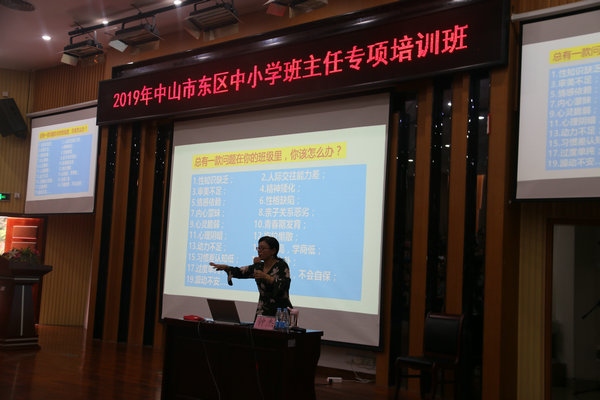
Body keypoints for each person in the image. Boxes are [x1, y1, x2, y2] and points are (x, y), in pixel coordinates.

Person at [210, 236, 292, 318]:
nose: (259, 251)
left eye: (263, 248)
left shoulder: (281, 265)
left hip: (280, 311)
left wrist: (267, 277)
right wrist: (226, 268)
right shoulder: (259, 266)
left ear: (273, 250)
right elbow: (241, 272)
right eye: (258, 248)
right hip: (263, 310)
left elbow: (284, 285)